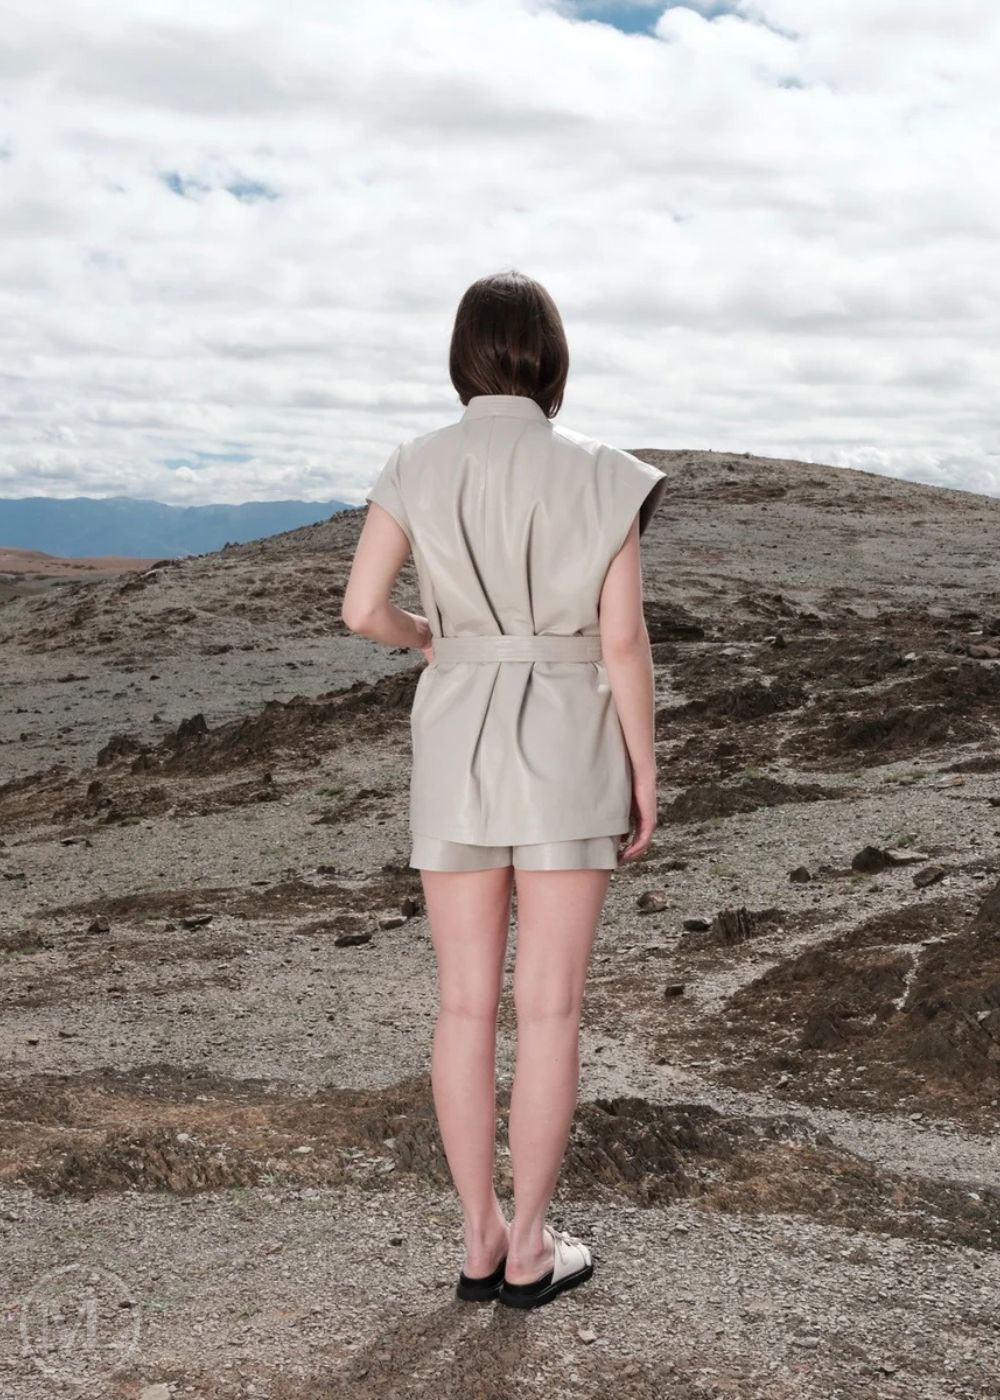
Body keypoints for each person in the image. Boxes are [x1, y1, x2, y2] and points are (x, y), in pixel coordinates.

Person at [342, 269, 667, 1309]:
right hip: (570, 742)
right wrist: (643, 768)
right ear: (552, 357)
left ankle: (477, 1236)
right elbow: (621, 639)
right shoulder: (603, 473)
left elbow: (358, 610)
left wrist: (433, 637)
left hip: (455, 741)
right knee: (553, 1007)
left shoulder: (413, 464)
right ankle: (531, 1245)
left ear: (462, 355)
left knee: (462, 1002)